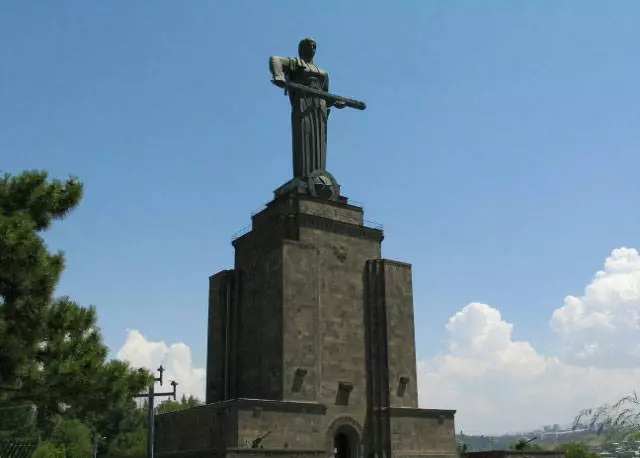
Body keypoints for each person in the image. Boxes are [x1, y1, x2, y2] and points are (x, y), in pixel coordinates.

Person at [269, 38, 346, 179]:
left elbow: (326, 95)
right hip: (303, 103)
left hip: (320, 108)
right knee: (304, 136)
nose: (312, 48)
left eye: (314, 46)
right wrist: (278, 75)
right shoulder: (296, 63)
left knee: (320, 141)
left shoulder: (324, 72)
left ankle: (319, 176)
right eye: (308, 45)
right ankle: (304, 177)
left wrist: (336, 102)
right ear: (301, 49)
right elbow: (275, 59)